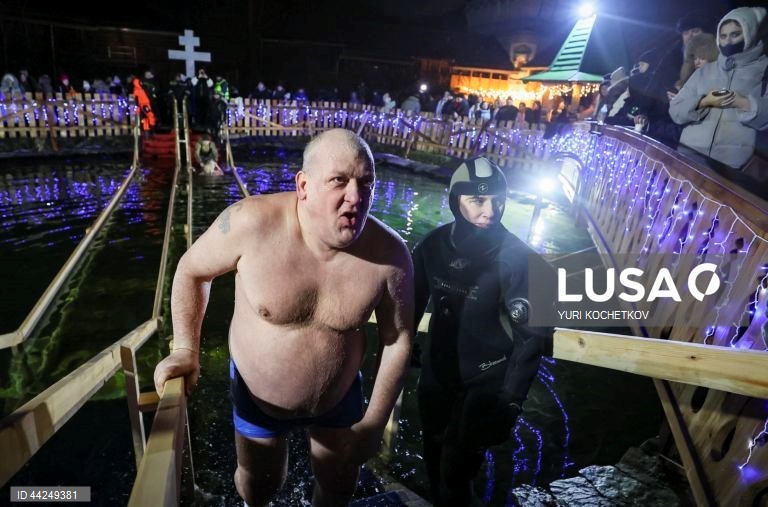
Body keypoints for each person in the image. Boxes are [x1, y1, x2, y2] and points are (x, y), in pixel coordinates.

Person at [153, 128, 414, 506]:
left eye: (366, 183)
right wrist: (184, 349)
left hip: (338, 397)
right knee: (259, 485)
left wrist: (374, 422)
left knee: (339, 484)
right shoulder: (251, 224)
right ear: (304, 186)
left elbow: (399, 339)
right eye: (339, 181)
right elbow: (192, 270)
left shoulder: (390, 256)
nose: (355, 197)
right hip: (257, 395)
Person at [412, 157, 553, 506]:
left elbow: (532, 339)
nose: (490, 210)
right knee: (432, 462)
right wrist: (404, 354)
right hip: (436, 374)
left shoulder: (523, 260)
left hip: (484, 383)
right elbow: (407, 311)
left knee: (455, 474)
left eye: (498, 200)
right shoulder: (432, 246)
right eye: (477, 200)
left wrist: (511, 404)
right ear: (455, 199)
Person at [669, 6, 768, 170]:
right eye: (723, 36)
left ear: (750, 33)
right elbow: (675, 110)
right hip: (689, 157)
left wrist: (743, 103)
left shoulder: (764, 71)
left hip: (733, 168)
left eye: (735, 34)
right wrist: (704, 101)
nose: (728, 41)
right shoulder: (705, 71)